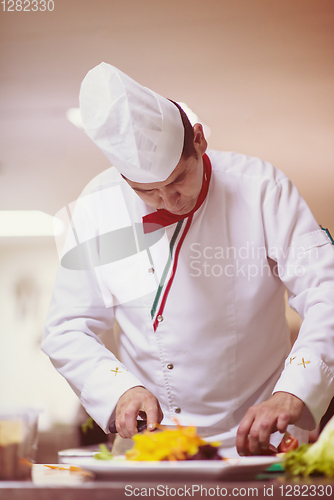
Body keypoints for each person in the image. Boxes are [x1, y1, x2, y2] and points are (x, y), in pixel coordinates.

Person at [42, 62, 334, 457]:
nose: (169, 201)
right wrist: (119, 389)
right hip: (152, 445)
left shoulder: (263, 189)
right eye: (148, 191)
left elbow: (326, 292)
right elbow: (67, 327)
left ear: (198, 141)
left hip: (260, 437)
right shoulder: (97, 207)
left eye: (179, 179)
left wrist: (294, 390)